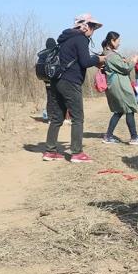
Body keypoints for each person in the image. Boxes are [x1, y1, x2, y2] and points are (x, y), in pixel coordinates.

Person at [42, 13, 106, 163]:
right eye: (92, 26)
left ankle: (50, 151)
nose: (93, 30)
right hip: (70, 82)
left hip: (57, 81)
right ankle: (77, 153)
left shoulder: (66, 39)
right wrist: (99, 59)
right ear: (84, 26)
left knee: (57, 117)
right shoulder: (80, 39)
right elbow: (84, 62)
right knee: (78, 117)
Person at [100, 31, 138, 145]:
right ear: (112, 41)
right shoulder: (110, 56)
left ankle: (109, 136)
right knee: (129, 109)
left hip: (117, 85)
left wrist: (128, 60)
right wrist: (134, 61)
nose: (119, 43)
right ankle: (134, 137)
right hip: (119, 86)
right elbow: (125, 68)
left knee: (119, 111)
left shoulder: (110, 54)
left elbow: (121, 65)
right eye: (118, 41)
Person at [42, 37, 58, 122]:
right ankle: (57, 117)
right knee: (57, 98)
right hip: (55, 80)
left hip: (46, 80)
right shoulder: (55, 52)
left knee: (49, 98)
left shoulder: (43, 54)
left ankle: (49, 118)